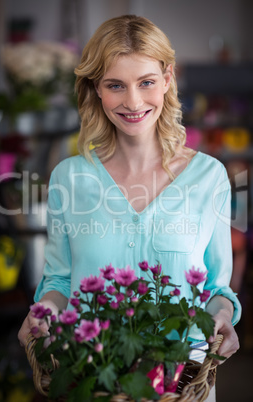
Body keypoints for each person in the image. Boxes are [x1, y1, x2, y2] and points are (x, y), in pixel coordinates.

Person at [18, 15, 241, 400]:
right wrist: (44, 312)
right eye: (116, 85)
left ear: (167, 79)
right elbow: (58, 282)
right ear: (96, 89)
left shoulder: (210, 177)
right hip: (95, 381)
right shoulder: (69, 179)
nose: (133, 102)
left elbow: (216, 288)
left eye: (146, 82)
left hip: (183, 384)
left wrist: (221, 316)